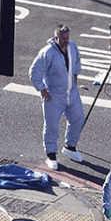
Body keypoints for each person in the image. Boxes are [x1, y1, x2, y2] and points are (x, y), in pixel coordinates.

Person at [28, 24, 84, 170]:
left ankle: (70, 146)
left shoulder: (72, 47)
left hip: (71, 93)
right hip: (54, 96)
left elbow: (77, 63)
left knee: (78, 119)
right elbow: (34, 72)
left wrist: (75, 80)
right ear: (56, 38)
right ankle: (51, 154)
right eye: (63, 38)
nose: (66, 41)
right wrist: (42, 90)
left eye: (67, 37)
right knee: (52, 126)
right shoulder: (47, 52)